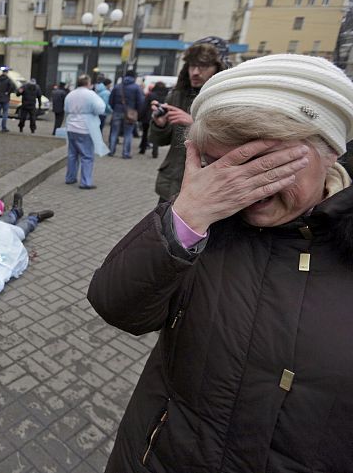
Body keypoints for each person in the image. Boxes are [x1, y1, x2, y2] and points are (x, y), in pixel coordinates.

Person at [87, 54, 353, 472]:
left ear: (331, 151)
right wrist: (185, 218)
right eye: (217, 166)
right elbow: (118, 306)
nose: (245, 188)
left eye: (267, 164)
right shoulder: (208, 226)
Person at [150, 36, 231, 202]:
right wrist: (160, 125)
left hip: (206, 189)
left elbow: (232, 145)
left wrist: (195, 125)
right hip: (171, 184)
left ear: (219, 68)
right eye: (192, 65)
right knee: (165, 228)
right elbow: (160, 141)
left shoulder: (228, 100)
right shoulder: (177, 95)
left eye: (204, 66)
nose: (195, 72)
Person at [64, 75, 109, 189]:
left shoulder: (71, 94)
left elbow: (66, 108)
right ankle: (86, 182)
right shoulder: (91, 94)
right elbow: (100, 108)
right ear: (88, 83)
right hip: (85, 127)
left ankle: (70, 177)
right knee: (87, 156)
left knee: (72, 154)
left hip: (71, 126)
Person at [108, 68, 145, 159]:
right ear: (134, 77)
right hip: (130, 113)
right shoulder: (136, 88)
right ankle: (126, 153)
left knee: (114, 132)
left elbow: (110, 100)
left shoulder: (117, 86)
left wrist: (115, 108)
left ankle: (111, 151)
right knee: (128, 133)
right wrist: (137, 111)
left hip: (117, 111)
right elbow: (141, 102)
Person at [140, 81, 169, 158]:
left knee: (145, 133)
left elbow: (144, 106)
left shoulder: (150, 95)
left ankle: (142, 149)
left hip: (148, 117)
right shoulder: (167, 96)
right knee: (156, 134)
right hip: (159, 117)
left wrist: (140, 116)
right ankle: (155, 152)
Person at [0, 66, 17, 133]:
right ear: (7, 72)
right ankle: (3, 127)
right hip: (6, 98)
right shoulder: (8, 80)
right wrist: (8, 92)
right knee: (5, 114)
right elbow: (13, 87)